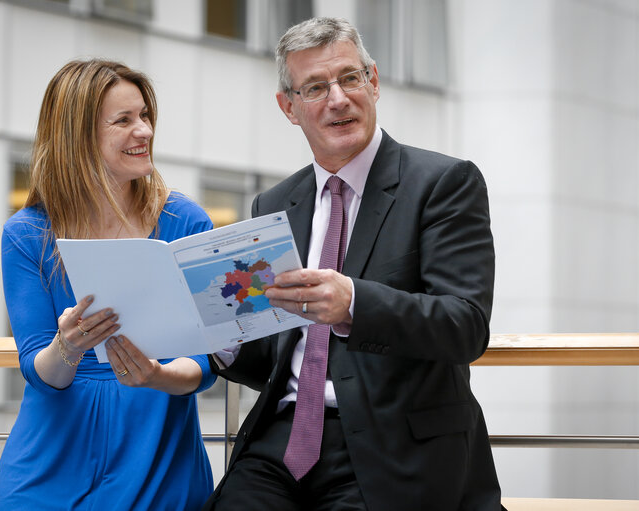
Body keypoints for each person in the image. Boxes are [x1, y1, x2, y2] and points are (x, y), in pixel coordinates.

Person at [206, 17, 504, 510]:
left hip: (393, 443)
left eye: (349, 78)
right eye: (316, 87)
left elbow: (464, 326)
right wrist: (224, 339)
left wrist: (353, 304)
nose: (338, 98)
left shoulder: (443, 183)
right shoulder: (274, 205)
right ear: (290, 107)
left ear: (375, 82)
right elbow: (278, 353)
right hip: (279, 441)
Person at [0, 59, 216, 510]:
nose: (145, 131)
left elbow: (207, 358)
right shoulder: (26, 233)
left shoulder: (185, 221)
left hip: (155, 444)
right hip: (52, 456)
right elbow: (40, 373)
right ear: (78, 138)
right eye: (124, 120)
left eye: (145, 116)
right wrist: (68, 346)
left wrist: (157, 375)